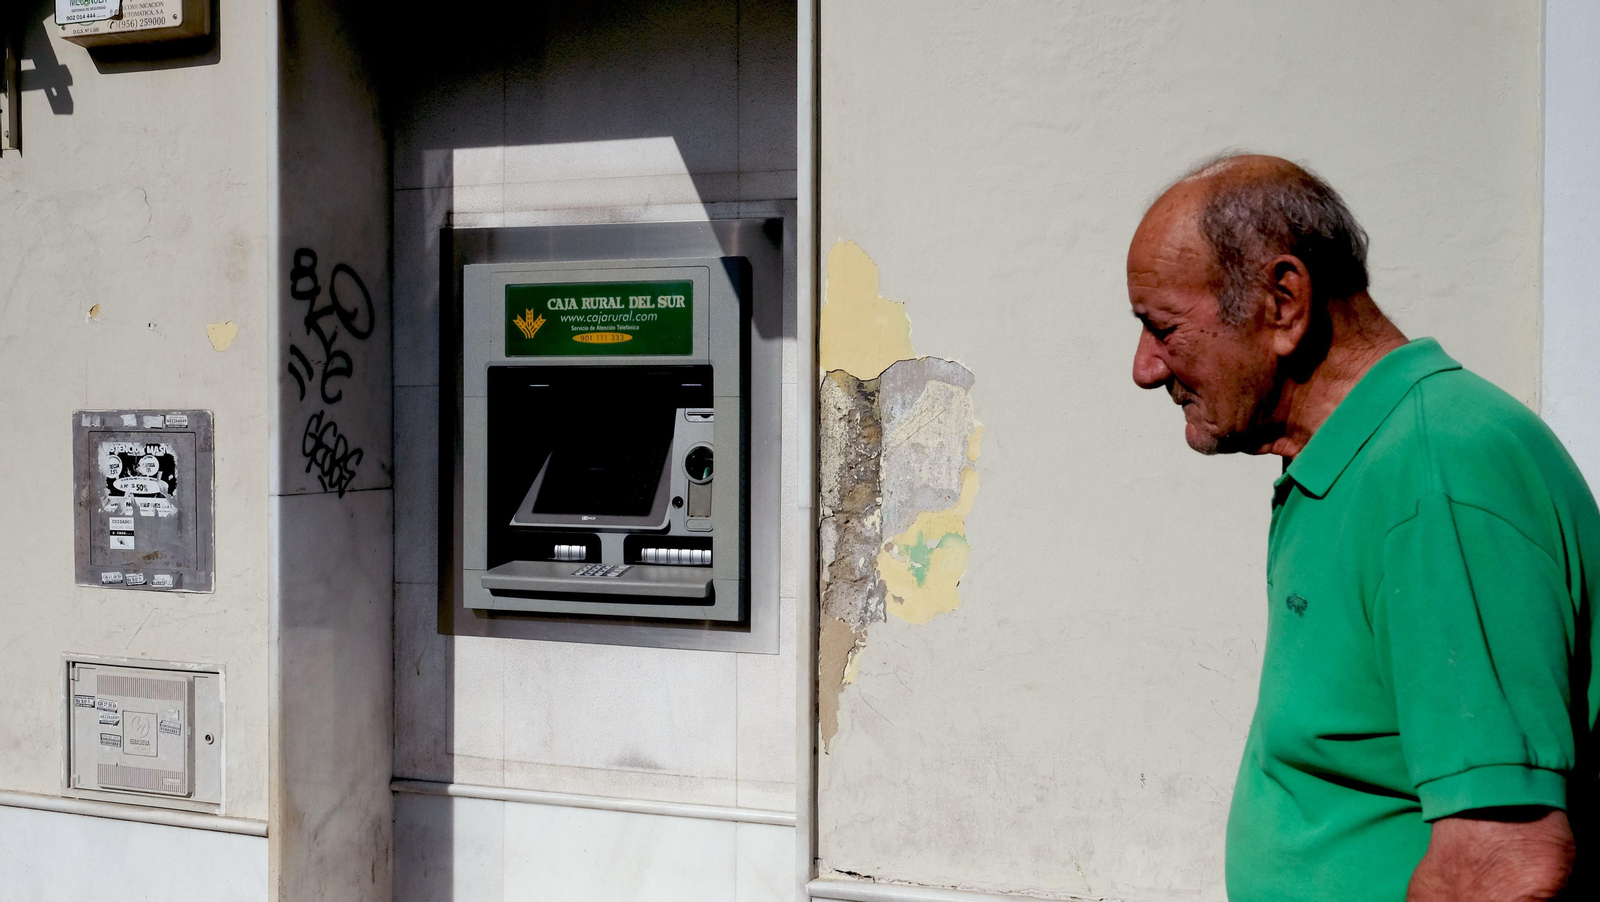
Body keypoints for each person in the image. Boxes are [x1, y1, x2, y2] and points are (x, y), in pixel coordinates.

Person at [1126, 153, 1596, 901]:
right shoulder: (1351, 461)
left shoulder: (1438, 473)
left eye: (1164, 328)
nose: (1145, 368)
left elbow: (1504, 865)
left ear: (1284, 303)